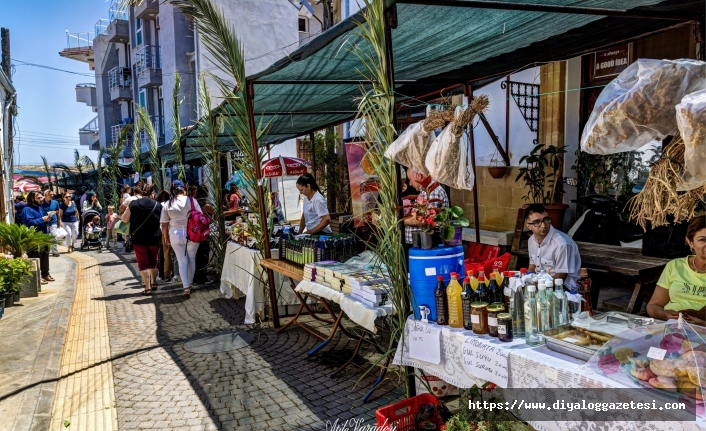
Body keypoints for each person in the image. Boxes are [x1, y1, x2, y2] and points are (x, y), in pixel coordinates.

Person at [647, 216, 706, 325]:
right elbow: (653, 305)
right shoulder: (675, 266)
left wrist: (702, 324)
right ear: (690, 242)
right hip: (672, 325)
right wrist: (664, 314)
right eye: (702, 240)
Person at [525, 203, 582, 289]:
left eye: (546, 220)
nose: (543, 226)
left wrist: (537, 286)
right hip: (541, 285)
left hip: (563, 289)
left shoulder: (561, 244)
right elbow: (532, 267)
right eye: (537, 222)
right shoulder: (531, 240)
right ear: (528, 225)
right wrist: (527, 276)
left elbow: (560, 278)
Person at [160, 180, 200, 299]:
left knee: (182, 261)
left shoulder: (167, 204)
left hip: (175, 233)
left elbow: (164, 225)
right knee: (191, 260)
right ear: (184, 188)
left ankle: (186, 287)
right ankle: (190, 283)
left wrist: (166, 237)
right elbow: (200, 216)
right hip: (192, 232)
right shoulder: (192, 201)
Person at [122, 184, 162, 295]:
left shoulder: (133, 204)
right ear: (152, 193)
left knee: (143, 263)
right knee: (154, 260)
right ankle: (154, 283)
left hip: (139, 238)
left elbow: (124, 219)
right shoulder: (158, 205)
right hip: (155, 237)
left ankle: (148, 288)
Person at [403, 168, 449, 246]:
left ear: (419, 175)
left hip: (425, 245)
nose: (410, 184)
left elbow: (425, 219)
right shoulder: (425, 191)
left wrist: (400, 220)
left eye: (410, 179)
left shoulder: (432, 191)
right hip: (420, 245)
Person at [21, 191, 52, 284]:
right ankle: (37, 277)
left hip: (43, 236)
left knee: (45, 256)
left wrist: (47, 219)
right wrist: (42, 219)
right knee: (36, 256)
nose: (41, 199)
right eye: (38, 198)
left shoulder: (39, 208)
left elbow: (42, 219)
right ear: (32, 199)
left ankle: (45, 274)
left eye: (41, 197)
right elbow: (29, 223)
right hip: (34, 238)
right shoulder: (27, 210)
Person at [193, 186, 214, 285]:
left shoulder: (194, 204)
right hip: (203, 233)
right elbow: (217, 214)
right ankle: (202, 278)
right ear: (206, 193)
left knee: (196, 256)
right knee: (203, 255)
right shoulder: (206, 206)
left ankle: (195, 277)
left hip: (194, 233)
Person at [155, 190, 175, 282]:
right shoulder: (169, 204)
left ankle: (163, 274)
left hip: (161, 230)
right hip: (168, 231)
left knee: (163, 253)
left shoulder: (158, 204)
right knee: (168, 254)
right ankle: (167, 274)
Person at [41, 190, 61, 257]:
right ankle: (46, 250)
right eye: (50, 195)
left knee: (54, 237)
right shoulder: (41, 203)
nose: (52, 196)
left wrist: (59, 221)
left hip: (53, 222)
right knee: (46, 237)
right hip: (44, 223)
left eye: (53, 194)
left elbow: (58, 212)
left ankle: (55, 251)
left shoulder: (55, 202)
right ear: (45, 195)